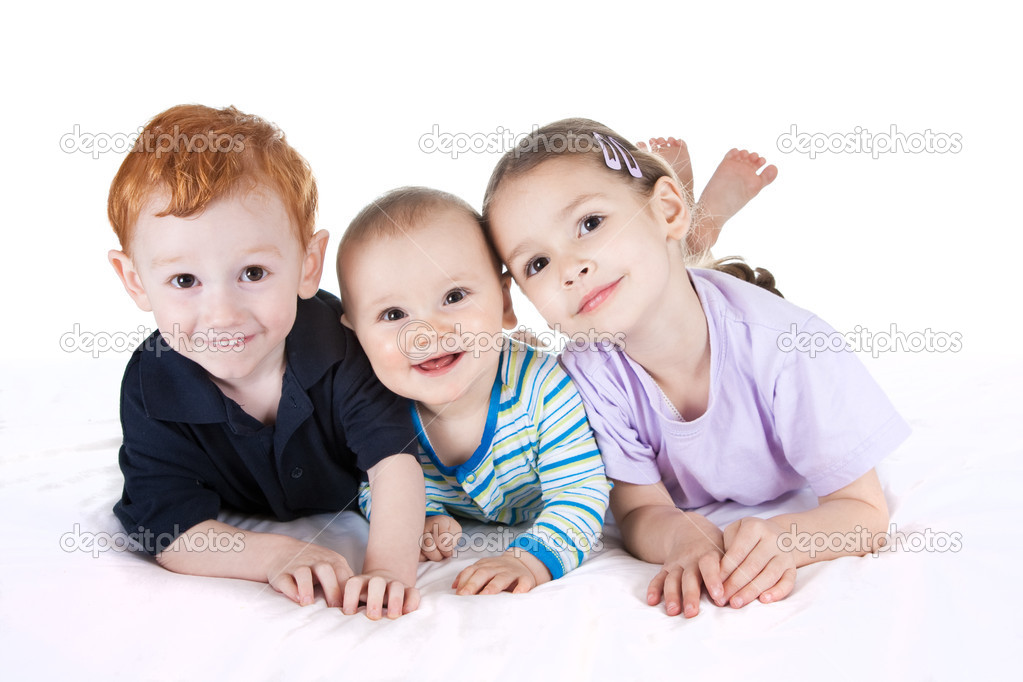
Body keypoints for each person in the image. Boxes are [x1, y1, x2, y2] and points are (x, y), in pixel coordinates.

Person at [482, 118, 910, 618]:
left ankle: (701, 226)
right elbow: (642, 509)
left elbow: (864, 512)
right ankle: (697, 233)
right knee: (670, 280)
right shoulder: (583, 375)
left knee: (695, 281)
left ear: (665, 209)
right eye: (536, 264)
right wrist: (688, 540)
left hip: (731, 316)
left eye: (590, 223)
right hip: (673, 285)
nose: (570, 267)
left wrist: (784, 538)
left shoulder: (792, 348)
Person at [106, 104, 423, 619]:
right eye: (185, 281)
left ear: (307, 264)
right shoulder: (153, 383)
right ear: (135, 281)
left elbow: (394, 463)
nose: (223, 314)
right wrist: (275, 553)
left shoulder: (341, 343)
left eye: (253, 273)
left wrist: (387, 570)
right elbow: (168, 527)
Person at [336, 187, 611, 595]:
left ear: (503, 302)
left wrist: (531, 559)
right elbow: (371, 487)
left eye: (454, 297)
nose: (427, 333)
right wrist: (421, 517)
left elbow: (581, 489)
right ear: (357, 337)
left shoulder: (542, 388)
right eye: (394, 314)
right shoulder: (380, 408)